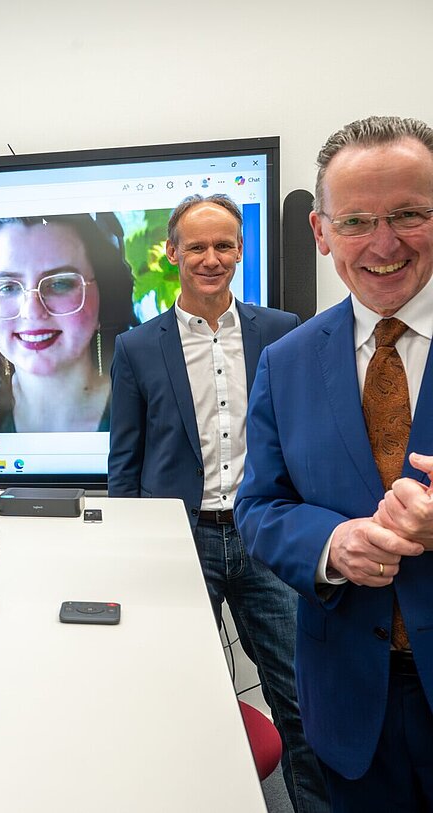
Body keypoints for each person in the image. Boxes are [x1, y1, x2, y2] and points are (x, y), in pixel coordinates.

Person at [236, 115, 433, 810]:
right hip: (349, 704)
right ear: (321, 233)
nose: (384, 243)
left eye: (408, 213)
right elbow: (259, 507)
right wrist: (331, 542)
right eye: (356, 221)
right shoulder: (286, 361)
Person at [109, 195, 327, 812]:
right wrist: (131, 547)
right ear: (172, 252)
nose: (211, 258)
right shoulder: (136, 348)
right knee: (184, 700)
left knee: (298, 700)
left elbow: (303, 440)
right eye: (197, 246)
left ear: (240, 251)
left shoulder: (283, 333)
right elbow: (125, 464)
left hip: (266, 539)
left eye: (224, 245)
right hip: (180, 544)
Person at [0, 212, 137, 433]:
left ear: (107, 296)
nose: (32, 311)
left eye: (60, 284)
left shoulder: (154, 407)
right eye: (7, 287)